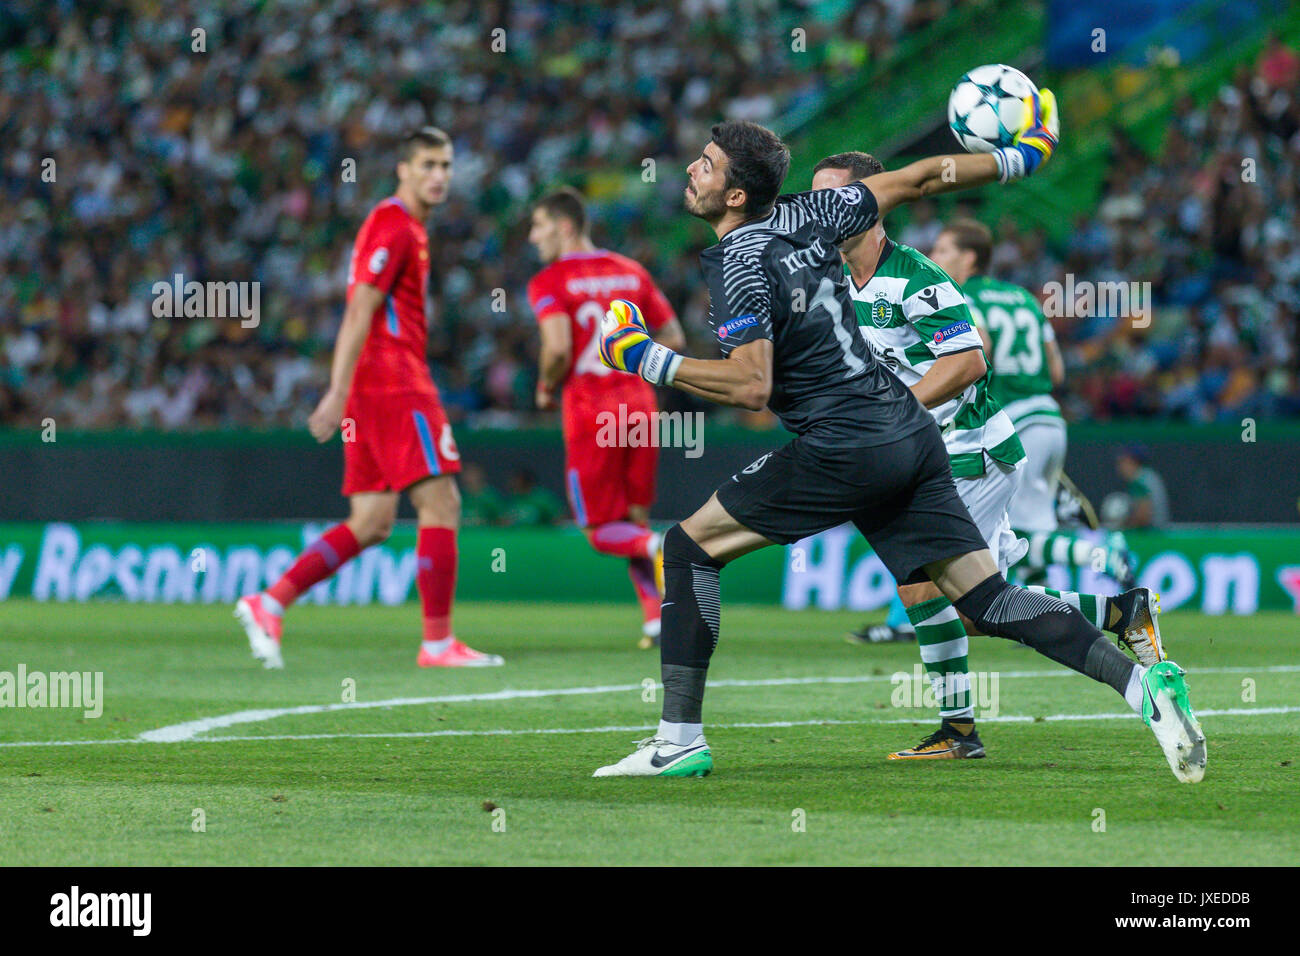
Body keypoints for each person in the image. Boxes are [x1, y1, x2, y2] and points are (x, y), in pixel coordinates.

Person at [590, 106, 1204, 784]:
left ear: (735, 195)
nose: (690, 170)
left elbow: (752, 385)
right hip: (910, 433)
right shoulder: (811, 215)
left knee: (687, 548)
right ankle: (1141, 686)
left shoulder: (739, 262)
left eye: (704, 165)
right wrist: (1014, 159)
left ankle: (678, 741)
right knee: (985, 599)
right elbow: (918, 177)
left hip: (844, 444)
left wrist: (642, 356)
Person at [813, 153, 1161, 760]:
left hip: (966, 452)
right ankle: (1111, 616)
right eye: (813, 198)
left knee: (971, 600)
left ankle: (1121, 673)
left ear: (873, 204)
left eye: (833, 197)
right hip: (928, 454)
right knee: (945, 600)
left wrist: (891, 414)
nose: (818, 211)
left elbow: (972, 362)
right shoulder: (834, 280)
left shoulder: (915, 277)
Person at [235, 128, 503, 670]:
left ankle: (270, 601)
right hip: (392, 381)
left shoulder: (410, 229)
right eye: (428, 164)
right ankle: (437, 643)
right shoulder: (394, 225)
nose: (439, 175)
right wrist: (336, 389)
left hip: (374, 385)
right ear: (402, 168)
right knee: (442, 502)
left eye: (446, 165)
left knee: (373, 520)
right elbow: (359, 307)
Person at [930, 218, 1136, 587]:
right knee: (1032, 526)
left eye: (943, 250)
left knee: (1019, 532)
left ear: (969, 258)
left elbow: (980, 352)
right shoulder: (1023, 297)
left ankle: (1101, 551)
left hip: (1013, 423)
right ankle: (1044, 617)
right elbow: (1056, 371)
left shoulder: (961, 297)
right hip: (1048, 418)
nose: (933, 256)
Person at [527, 187, 686, 648]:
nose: (534, 239)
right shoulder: (629, 271)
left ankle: (661, 547)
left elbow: (556, 348)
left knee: (599, 531)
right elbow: (673, 334)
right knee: (633, 519)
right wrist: (639, 372)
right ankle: (656, 620)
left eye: (538, 227)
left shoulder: (550, 281)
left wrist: (543, 387)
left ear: (564, 226)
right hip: (639, 405)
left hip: (589, 411)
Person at [1116, 445, 1170, 528]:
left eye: (1122, 462)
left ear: (1132, 461)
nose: (1119, 467)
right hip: (1159, 532)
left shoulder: (1139, 481)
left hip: (1151, 535)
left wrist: (1122, 526)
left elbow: (1143, 518)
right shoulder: (1148, 475)